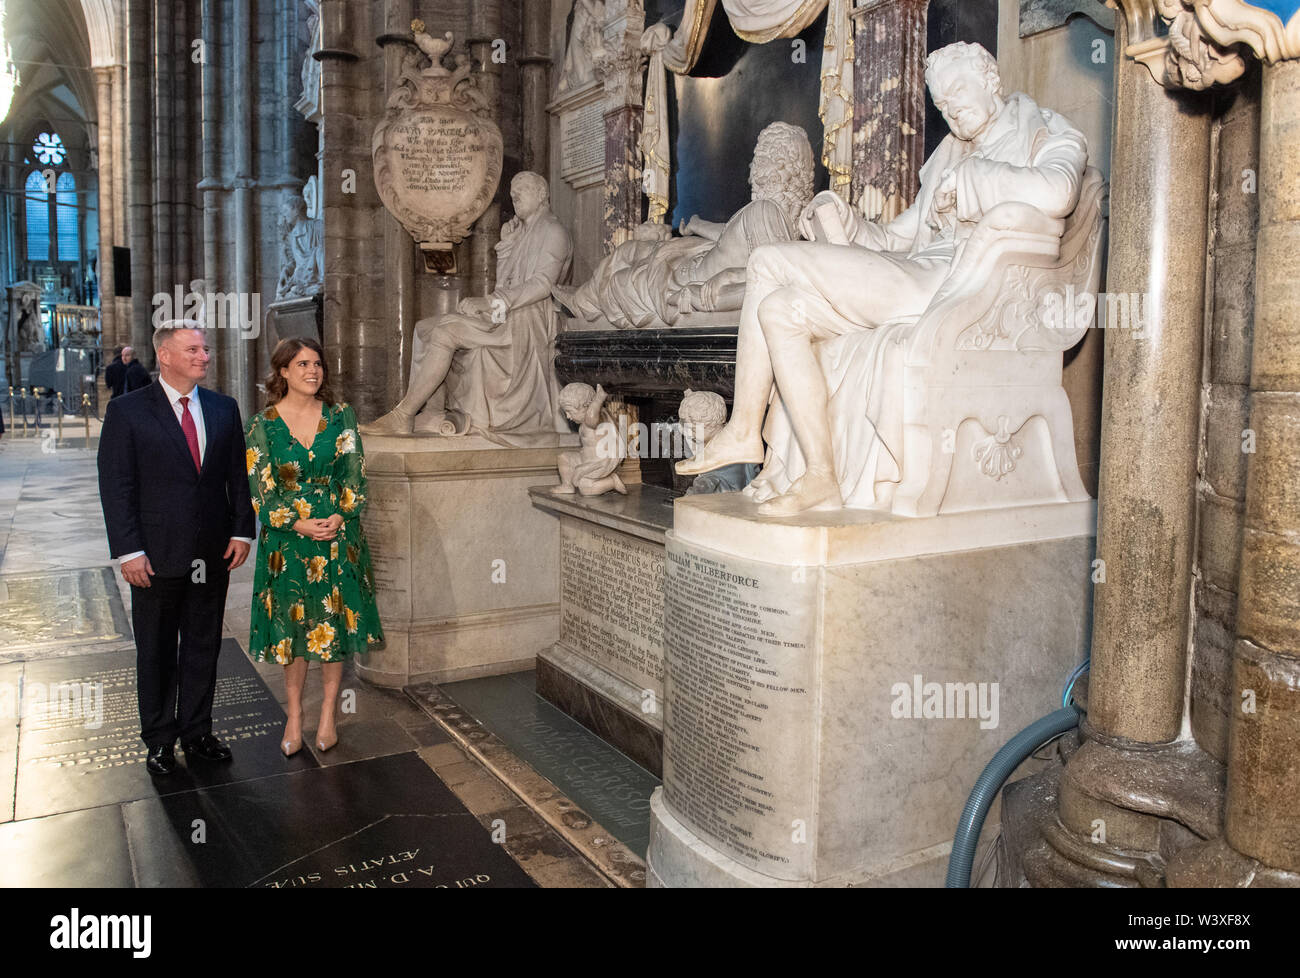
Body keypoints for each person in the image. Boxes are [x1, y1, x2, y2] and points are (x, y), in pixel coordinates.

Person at [676, 42, 1088, 515]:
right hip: (913, 272)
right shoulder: (947, 153)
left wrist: (977, 180)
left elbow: (1058, 191)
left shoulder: (1046, 131)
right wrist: (850, 224)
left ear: (990, 80)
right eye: (942, 104)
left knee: (768, 261)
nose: (951, 109)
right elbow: (898, 237)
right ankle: (820, 477)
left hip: (955, 284)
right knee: (778, 310)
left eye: (958, 92)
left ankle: (745, 430)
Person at [97, 321, 255, 775]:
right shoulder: (128, 411)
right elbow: (117, 484)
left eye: (204, 349)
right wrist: (129, 551)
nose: (203, 356)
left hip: (212, 553)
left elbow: (236, 479)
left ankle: (198, 731)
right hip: (155, 555)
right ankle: (161, 739)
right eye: (193, 349)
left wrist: (242, 532)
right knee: (157, 648)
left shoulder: (224, 409)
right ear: (164, 355)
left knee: (205, 644)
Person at [244, 337, 384, 756]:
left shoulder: (341, 417)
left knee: (331, 626)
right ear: (282, 372)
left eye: (318, 364)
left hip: (338, 539)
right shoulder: (262, 424)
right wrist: (300, 524)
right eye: (302, 364)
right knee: (294, 629)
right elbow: (261, 492)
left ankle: (327, 714)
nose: (313, 371)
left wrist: (341, 515)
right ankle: (293, 715)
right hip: (288, 544)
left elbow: (354, 476)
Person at [362, 171, 572, 441]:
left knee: (446, 332)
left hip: (529, 320)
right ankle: (433, 411)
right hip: (507, 313)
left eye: (522, 189)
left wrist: (489, 302)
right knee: (425, 328)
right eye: (512, 191)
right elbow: (503, 284)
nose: (515, 195)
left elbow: (543, 285)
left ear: (542, 195)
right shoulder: (523, 233)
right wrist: (507, 248)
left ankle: (403, 415)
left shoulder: (553, 231)